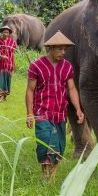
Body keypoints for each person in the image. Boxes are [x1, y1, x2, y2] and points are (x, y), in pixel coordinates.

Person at [25, 30, 85, 180]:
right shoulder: (36, 66)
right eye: (59, 48)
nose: (63, 52)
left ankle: (53, 174)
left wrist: (78, 109)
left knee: (59, 145)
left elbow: (71, 88)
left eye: (65, 49)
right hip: (42, 112)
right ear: (50, 48)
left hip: (60, 114)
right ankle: (45, 174)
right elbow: (30, 90)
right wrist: (29, 114)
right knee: (45, 142)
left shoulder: (67, 67)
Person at [0, 25, 17, 101]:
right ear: (1, 32)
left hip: (9, 65)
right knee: (1, 80)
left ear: (9, 33)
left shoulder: (12, 42)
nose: (5, 34)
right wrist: (1, 56)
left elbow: (13, 54)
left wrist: (14, 65)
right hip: (1, 65)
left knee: (8, 80)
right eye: (4, 32)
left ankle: (5, 97)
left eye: (7, 32)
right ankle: (0, 96)